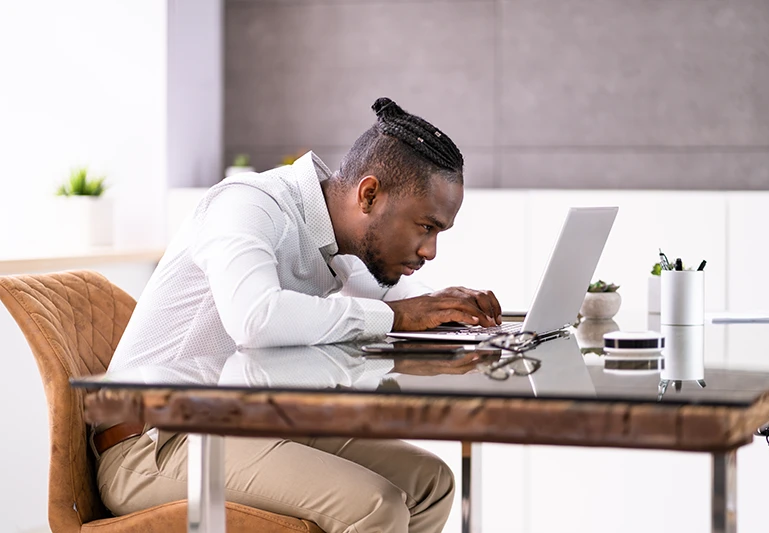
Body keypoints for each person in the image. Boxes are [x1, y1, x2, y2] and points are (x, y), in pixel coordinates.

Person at [95, 97, 503, 533]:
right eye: (426, 227)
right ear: (369, 194)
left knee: (431, 483)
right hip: (156, 444)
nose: (430, 251)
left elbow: (399, 296)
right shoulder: (248, 205)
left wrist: (453, 309)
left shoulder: (338, 236)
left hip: (249, 426)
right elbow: (256, 317)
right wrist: (397, 316)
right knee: (376, 506)